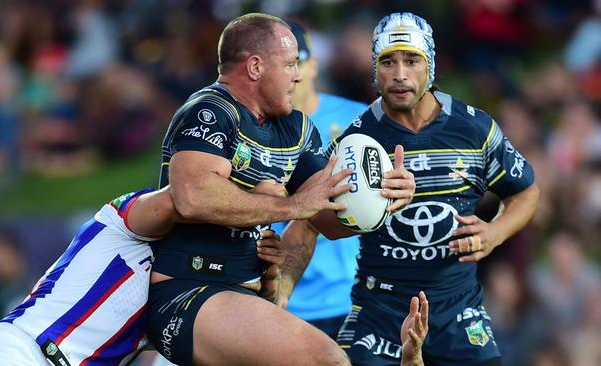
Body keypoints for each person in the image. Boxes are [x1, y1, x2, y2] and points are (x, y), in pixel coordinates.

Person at [145, 12, 417, 366]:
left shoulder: (297, 129)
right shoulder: (209, 111)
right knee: (326, 360)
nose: (298, 75)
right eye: (289, 64)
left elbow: (327, 219)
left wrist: (381, 202)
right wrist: (292, 207)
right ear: (256, 67)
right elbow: (192, 197)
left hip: (248, 297)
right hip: (188, 290)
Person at [280, 12, 540, 366]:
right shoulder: (353, 140)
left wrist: (495, 232)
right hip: (379, 311)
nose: (400, 74)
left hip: (457, 311)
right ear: (375, 69)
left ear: (430, 65)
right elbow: (316, 221)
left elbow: (526, 192)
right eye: (388, 61)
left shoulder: (475, 129)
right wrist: (370, 209)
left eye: (411, 60)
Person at [0, 183, 287, 366]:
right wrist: (269, 206)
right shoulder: (126, 222)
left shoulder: (185, 291)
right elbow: (181, 200)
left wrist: (267, 282)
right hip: (21, 354)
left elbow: (240, 342)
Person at [269, 20, 368, 338]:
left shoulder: (361, 120)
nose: (291, 75)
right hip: (282, 302)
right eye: (280, 66)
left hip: (352, 296)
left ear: (312, 65)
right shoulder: (249, 131)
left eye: (296, 63)